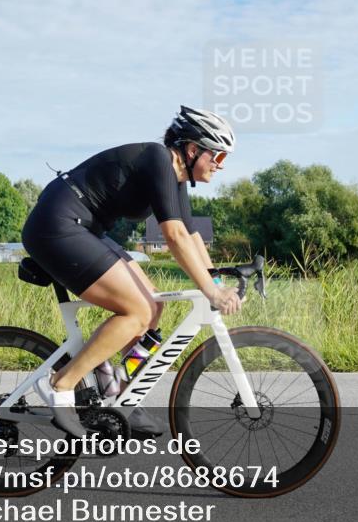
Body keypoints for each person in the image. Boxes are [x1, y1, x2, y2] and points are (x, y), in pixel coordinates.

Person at [23, 106, 241, 437]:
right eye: (217, 156)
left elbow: (192, 235)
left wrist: (217, 281)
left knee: (154, 305)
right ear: (193, 149)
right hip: (57, 224)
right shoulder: (157, 158)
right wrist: (211, 292)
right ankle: (60, 383)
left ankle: (120, 394)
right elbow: (174, 236)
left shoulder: (175, 177)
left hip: (86, 229)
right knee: (137, 310)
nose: (219, 165)